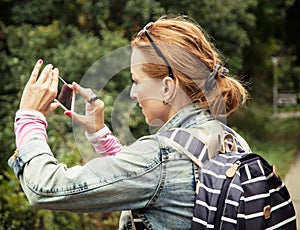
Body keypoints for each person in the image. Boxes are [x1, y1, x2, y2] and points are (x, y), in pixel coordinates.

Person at [8, 15, 250, 229]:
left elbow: (44, 189)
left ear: (167, 87)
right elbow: (150, 180)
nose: (133, 94)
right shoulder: (233, 141)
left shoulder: (160, 157)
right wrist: (100, 135)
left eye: (136, 81)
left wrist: (29, 118)